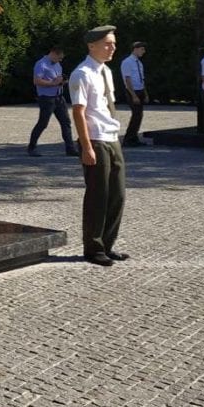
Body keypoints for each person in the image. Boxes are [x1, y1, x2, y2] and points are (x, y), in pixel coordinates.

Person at [68, 25, 127, 267]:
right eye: (107, 43)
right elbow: (78, 113)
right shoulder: (81, 73)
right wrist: (86, 147)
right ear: (92, 46)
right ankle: (93, 248)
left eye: (113, 43)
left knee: (117, 195)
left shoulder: (106, 72)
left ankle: (108, 244)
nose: (112, 47)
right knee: (97, 196)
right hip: (95, 139)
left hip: (111, 137)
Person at [27, 46, 77, 157]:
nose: (60, 60)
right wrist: (53, 83)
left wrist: (62, 81)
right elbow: (37, 81)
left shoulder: (57, 64)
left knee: (66, 122)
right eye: (59, 58)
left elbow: (57, 78)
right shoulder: (41, 64)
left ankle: (70, 148)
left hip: (59, 97)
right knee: (43, 123)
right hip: (46, 98)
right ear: (53, 53)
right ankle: (32, 147)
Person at [119, 41, 149, 146]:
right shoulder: (127, 62)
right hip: (132, 91)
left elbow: (142, 79)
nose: (143, 51)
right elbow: (127, 79)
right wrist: (134, 95)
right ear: (135, 49)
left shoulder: (139, 63)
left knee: (139, 115)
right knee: (136, 115)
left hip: (140, 89)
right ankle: (128, 139)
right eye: (142, 49)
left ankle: (134, 137)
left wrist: (145, 93)